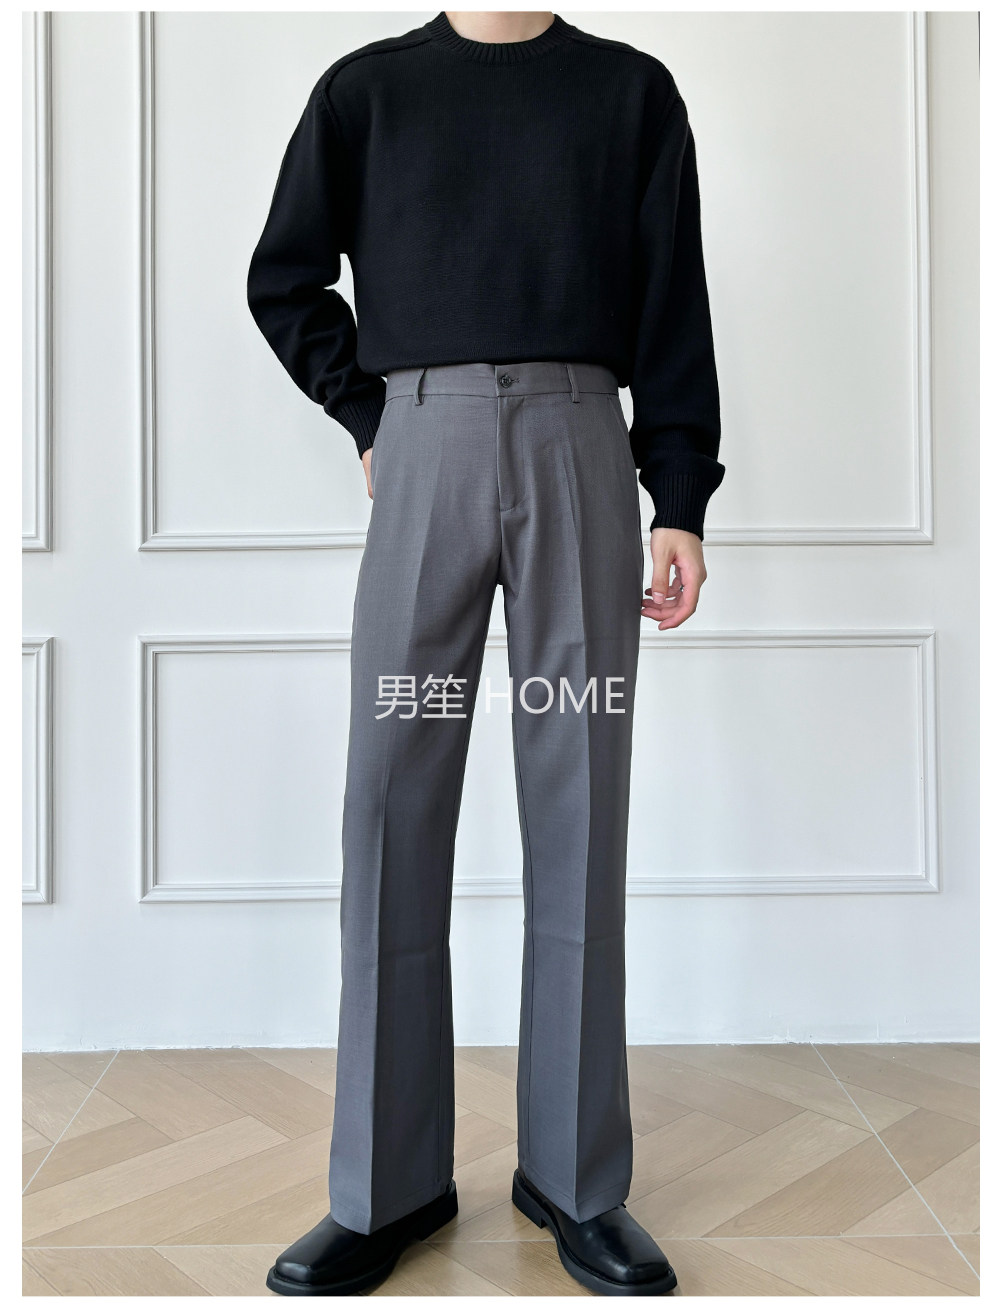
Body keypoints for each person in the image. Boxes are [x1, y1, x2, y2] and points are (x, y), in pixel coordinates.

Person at [246, 9, 725, 1297]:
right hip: (423, 446)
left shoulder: (629, 92)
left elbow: (674, 300)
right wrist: (369, 414)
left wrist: (678, 495)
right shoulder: (367, 92)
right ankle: (385, 1186)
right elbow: (283, 277)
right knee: (390, 800)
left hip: (581, 442)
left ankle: (575, 1180)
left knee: (580, 803)